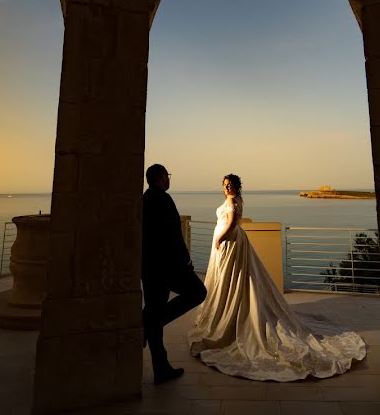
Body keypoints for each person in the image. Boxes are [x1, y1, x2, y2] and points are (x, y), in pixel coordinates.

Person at [188, 173, 366, 381]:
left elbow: (232, 224)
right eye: (224, 185)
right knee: (229, 280)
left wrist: (219, 238)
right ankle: (226, 310)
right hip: (228, 244)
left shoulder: (235, 202)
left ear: (237, 187)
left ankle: (232, 316)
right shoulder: (232, 200)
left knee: (236, 279)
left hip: (230, 243)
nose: (227, 188)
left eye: (230, 185)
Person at [141, 164, 206, 384]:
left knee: (153, 311)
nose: (169, 180)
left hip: (149, 267)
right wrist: (185, 260)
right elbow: (173, 236)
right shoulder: (163, 199)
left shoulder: (144, 200)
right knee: (198, 292)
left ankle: (161, 367)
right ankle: (148, 322)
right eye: (167, 176)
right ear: (160, 177)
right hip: (168, 267)